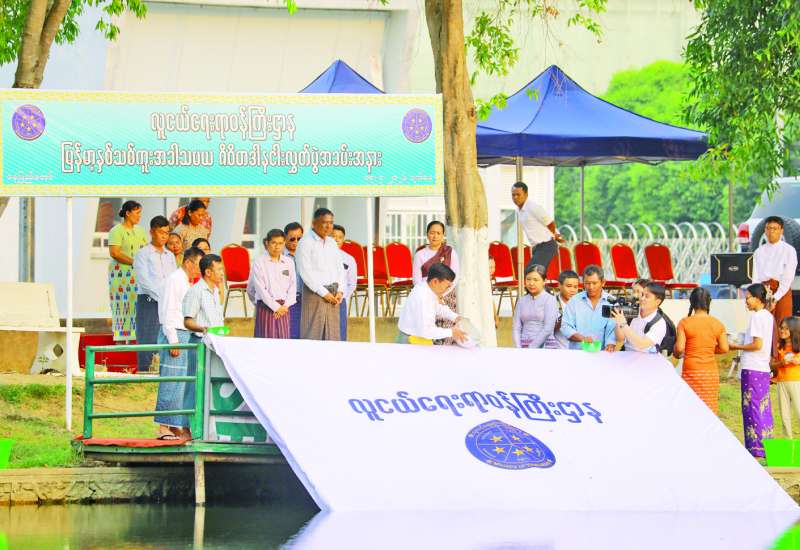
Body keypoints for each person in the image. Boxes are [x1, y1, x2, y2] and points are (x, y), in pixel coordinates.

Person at [154, 246, 205, 440]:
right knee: (171, 380)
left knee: (183, 383)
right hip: (174, 332)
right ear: (188, 262)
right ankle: (163, 426)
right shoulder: (174, 280)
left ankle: (176, 425)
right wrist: (172, 339)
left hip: (185, 332)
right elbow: (168, 310)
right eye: (198, 265)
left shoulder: (186, 282)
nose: (199, 269)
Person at [180, 254, 226, 438]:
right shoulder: (196, 291)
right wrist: (204, 329)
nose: (222, 273)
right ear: (208, 272)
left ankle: (205, 428)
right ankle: (185, 427)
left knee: (209, 385)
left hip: (214, 343)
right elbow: (187, 321)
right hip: (199, 342)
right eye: (219, 269)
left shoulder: (215, 291)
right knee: (194, 385)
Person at [729, 283, 775, 459]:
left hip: (752, 367)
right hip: (762, 368)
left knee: (752, 408)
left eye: (748, 298)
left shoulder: (756, 317)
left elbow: (757, 344)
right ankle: (767, 447)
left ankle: (756, 449)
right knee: (763, 407)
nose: (746, 301)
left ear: (757, 298)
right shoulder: (767, 316)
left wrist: (736, 346)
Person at [674, 288, 730, 414]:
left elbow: (680, 348)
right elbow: (724, 348)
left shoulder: (684, 322)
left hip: (691, 370)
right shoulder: (718, 323)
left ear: (692, 302)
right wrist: (707, 349)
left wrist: (676, 353)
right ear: (709, 302)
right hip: (710, 372)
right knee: (709, 409)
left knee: (691, 408)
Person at [133, 216, 176, 372]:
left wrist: (171, 298)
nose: (164, 236)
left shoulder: (170, 256)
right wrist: (161, 297)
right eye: (161, 232)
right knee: (147, 336)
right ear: (152, 232)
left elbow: (173, 278)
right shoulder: (142, 254)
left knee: (166, 333)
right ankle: (145, 371)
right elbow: (144, 280)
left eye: (167, 233)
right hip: (149, 301)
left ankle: (163, 370)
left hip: (167, 302)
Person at [295, 209, 346, 341]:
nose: (328, 226)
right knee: (312, 334)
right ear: (314, 223)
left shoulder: (332, 242)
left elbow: (340, 268)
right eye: (324, 222)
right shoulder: (305, 242)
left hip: (333, 294)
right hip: (315, 293)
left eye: (331, 222)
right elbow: (305, 272)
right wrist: (324, 293)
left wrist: (340, 290)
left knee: (332, 335)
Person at [108, 200, 149, 343]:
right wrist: (134, 262)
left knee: (137, 304)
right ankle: (120, 340)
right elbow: (115, 253)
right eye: (137, 213)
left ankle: (135, 339)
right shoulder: (116, 230)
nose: (139, 216)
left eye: (140, 213)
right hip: (121, 275)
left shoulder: (141, 231)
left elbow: (146, 249)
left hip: (138, 274)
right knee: (122, 305)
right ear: (127, 213)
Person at [412, 221, 460, 345]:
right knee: (428, 327)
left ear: (443, 235)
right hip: (425, 296)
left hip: (447, 295)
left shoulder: (450, 252)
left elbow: (455, 277)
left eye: (438, 233)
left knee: (447, 328)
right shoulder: (420, 254)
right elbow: (416, 280)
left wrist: (441, 295)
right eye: (432, 233)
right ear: (427, 234)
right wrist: (430, 294)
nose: (435, 236)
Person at [397, 263, 467, 344]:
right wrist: (451, 332)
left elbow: (438, 307)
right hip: (410, 340)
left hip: (419, 336)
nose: (448, 289)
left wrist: (455, 317)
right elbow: (426, 331)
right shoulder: (423, 297)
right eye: (447, 286)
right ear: (435, 281)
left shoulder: (427, 288)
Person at [248, 229, 296, 339]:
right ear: (267, 243)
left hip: (284, 307)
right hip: (266, 306)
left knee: (283, 340)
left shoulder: (289, 262)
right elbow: (260, 289)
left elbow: (293, 287)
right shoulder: (259, 262)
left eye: (280, 243)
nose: (277, 247)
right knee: (266, 341)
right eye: (274, 243)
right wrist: (275, 307)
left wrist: (285, 306)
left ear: (284, 243)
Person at [752, 216, 798, 325]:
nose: (771, 231)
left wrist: (775, 297)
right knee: (764, 325)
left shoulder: (789, 250)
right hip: (763, 291)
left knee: (783, 325)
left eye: (774, 228)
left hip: (781, 291)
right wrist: (759, 295)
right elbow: (755, 276)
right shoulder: (758, 251)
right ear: (765, 230)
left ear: (781, 231)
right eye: (768, 228)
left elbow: (788, 276)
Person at [511, 181, 564, 272]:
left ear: (526, 194)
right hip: (537, 247)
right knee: (538, 274)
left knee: (531, 272)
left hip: (547, 245)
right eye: (513, 195)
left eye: (518, 195)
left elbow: (550, 222)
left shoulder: (533, 207)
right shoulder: (518, 211)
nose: (515, 197)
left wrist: (556, 235)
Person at [560, 265, 617, 351]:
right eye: (587, 283)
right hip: (578, 353)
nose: (590, 287)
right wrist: (582, 338)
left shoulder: (612, 302)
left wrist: (610, 343)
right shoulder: (574, 301)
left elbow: (613, 328)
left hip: (602, 354)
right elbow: (565, 326)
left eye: (594, 283)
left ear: (603, 282)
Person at [612, 282, 668, 353]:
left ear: (657, 302)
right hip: (627, 354)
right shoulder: (633, 311)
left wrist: (623, 324)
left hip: (647, 357)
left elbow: (641, 344)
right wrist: (618, 322)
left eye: (647, 296)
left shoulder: (660, 323)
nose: (642, 298)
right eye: (642, 294)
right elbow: (620, 338)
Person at [512, 264, 559, 349]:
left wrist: (531, 347)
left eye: (535, 280)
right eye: (528, 279)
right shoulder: (521, 301)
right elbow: (516, 327)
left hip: (545, 346)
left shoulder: (550, 300)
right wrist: (518, 347)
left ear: (544, 281)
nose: (531, 283)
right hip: (524, 346)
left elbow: (548, 328)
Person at [772, 317, 800, 438]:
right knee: (784, 416)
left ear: (794, 329)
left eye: (786, 328)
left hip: (796, 382)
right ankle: (788, 442)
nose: (782, 331)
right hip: (781, 382)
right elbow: (772, 365)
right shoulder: (779, 345)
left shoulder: (798, 346)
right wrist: (781, 363)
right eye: (781, 328)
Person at [332, 224, 357, 341]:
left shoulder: (349, 259)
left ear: (343, 239)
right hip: (324, 298)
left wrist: (342, 296)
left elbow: (352, 283)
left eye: (340, 237)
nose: (336, 239)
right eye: (333, 236)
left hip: (341, 300)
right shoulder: (320, 257)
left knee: (340, 332)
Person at [547, 270, 580, 349]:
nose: (572, 290)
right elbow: (544, 331)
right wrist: (560, 322)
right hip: (557, 350)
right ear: (559, 285)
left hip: (579, 350)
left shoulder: (582, 304)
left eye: (575, 287)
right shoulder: (550, 303)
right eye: (569, 286)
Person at [283, 222, 304, 339]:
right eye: (292, 239)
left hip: (304, 300)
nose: (296, 242)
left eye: (299, 239)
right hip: (285, 301)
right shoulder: (278, 255)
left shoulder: (306, 254)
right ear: (285, 238)